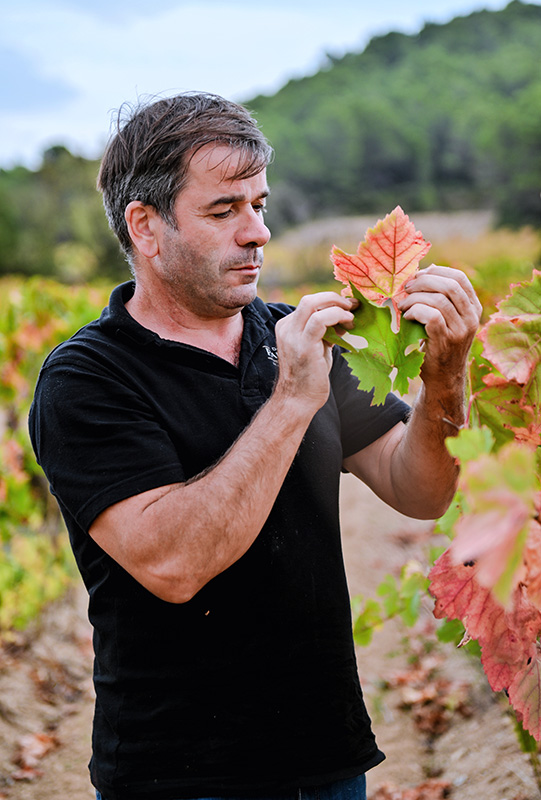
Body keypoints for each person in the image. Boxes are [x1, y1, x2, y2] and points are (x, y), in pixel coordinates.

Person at [28, 93, 482, 800]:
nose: (257, 233)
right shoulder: (89, 377)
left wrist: (443, 379)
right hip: (180, 775)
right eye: (223, 211)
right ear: (145, 227)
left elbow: (418, 490)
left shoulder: (296, 336)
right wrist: (292, 398)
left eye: (259, 205)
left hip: (328, 759)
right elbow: (174, 563)